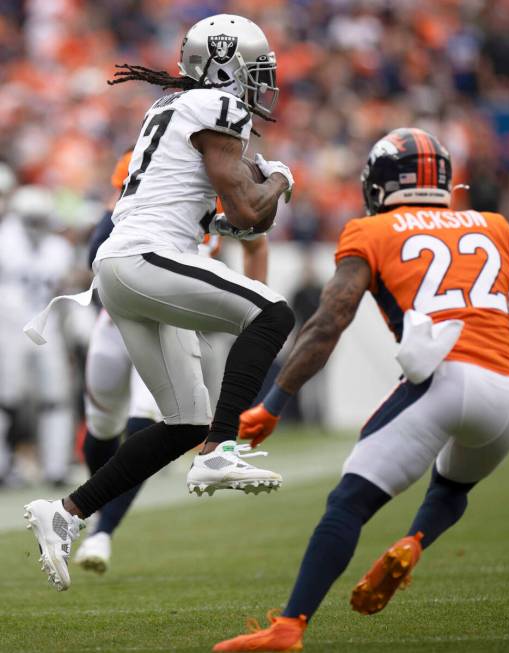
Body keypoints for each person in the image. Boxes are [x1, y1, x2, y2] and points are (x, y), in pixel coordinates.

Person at [213, 127, 509, 651]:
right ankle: (416, 541)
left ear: (379, 185)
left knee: (348, 503)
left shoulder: (370, 232)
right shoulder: (493, 227)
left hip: (441, 381)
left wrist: (273, 403)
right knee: (451, 486)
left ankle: (289, 627)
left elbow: (329, 322)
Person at [24, 13, 295, 592]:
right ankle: (222, 450)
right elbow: (252, 212)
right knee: (273, 313)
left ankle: (66, 512)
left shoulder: (175, 108)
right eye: (256, 72)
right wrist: (281, 181)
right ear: (227, 65)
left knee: (183, 420)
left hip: (122, 268)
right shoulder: (218, 109)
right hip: (148, 259)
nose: (260, 85)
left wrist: (268, 186)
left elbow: (240, 221)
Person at [76, 150, 273, 574]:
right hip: (121, 314)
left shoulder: (226, 176)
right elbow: (104, 233)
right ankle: (97, 507)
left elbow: (257, 240)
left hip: (171, 318)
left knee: (149, 419)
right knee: (102, 425)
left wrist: (252, 301)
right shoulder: (143, 163)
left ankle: (102, 532)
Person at [0, 185, 75, 486]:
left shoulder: (58, 248)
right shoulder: (5, 240)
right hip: (7, 328)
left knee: (55, 400)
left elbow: (64, 293)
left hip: (46, 328)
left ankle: (56, 468)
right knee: (6, 400)